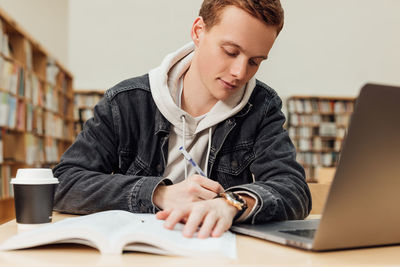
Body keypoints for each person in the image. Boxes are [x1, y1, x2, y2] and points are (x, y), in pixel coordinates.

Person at [53, 0, 311, 239]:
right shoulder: (125, 102)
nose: (240, 73)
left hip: (216, 251)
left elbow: (295, 190)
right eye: (231, 51)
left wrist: (232, 204)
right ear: (198, 31)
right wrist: (159, 193)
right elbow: (63, 182)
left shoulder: (262, 106)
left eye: (255, 61)